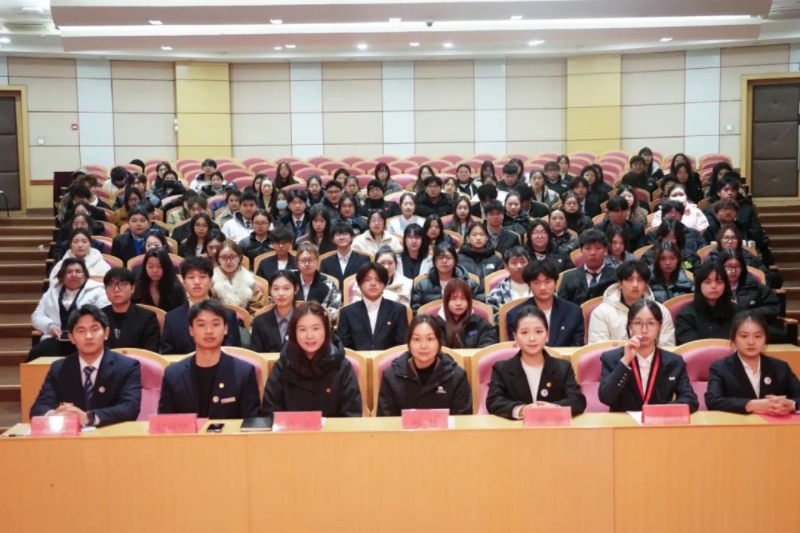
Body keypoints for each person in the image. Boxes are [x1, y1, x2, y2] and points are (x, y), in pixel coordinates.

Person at [30, 304, 142, 426]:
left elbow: (130, 408)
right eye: (81, 331)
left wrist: (88, 417)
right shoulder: (59, 368)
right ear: (71, 338)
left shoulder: (127, 367)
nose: (88, 336)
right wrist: (55, 415)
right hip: (73, 435)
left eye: (94, 329)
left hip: (111, 434)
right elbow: (39, 408)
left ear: (106, 333)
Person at [158, 299, 260, 418]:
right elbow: (164, 422)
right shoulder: (173, 375)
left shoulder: (244, 372)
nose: (209, 331)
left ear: (225, 329)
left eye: (215, 324)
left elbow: (252, 422)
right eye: (201, 325)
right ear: (191, 330)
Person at [263, 301, 363, 417]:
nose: (309, 336)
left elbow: (352, 415)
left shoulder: (342, 366)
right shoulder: (283, 365)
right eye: (302, 329)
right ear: (294, 333)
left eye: (315, 328)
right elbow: (270, 412)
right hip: (290, 428)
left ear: (326, 331)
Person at [598, 299, 698, 413]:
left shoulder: (674, 362)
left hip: (659, 421)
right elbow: (606, 398)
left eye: (651, 323)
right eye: (637, 323)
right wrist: (625, 361)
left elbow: (690, 400)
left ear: (659, 326)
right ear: (630, 325)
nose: (644, 330)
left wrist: (659, 411)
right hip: (624, 422)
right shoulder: (611, 358)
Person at [487, 305, 586, 419]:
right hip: (517, 428)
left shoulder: (563, 367)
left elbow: (577, 400)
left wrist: (555, 408)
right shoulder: (502, 368)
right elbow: (494, 402)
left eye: (538, 332)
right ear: (515, 337)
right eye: (524, 332)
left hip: (553, 427)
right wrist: (522, 410)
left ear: (547, 335)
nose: (532, 338)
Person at [705, 311, 800, 414]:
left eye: (758, 336)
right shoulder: (720, 368)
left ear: (766, 338)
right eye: (744, 336)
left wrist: (792, 404)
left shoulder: (780, 367)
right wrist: (752, 405)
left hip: (776, 423)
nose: (751, 342)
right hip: (738, 423)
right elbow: (712, 401)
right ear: (733, 338)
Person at [376, 314, 472, 416]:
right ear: (408, 343)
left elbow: (462, 420)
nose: (423, 346)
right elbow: (385, 420)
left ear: (439, 342)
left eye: (430, 339)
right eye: (417, 339)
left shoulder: (456, 376)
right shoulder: (391, 376)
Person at [29, 259, 112, 361]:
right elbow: (37, 315)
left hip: (86, 339)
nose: (74, 275)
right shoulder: (52, 292)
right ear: (62, 276)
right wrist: (50, 326)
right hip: (57, 339)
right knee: (36, 353)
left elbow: (105, 315)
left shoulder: (98, 291)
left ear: (85, 274)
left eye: (78, 271)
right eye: (69, 272)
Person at [160, 256, 242, 355]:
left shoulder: (228, 315)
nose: (197, 282)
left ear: (211, 281)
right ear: (184, 282)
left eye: (202, 277)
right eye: (191, 277)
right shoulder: (172, 318)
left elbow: (233, 353)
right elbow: (167, 356)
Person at [588, 260, 675, 345]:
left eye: (640, 280)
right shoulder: (601, 312)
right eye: (629, 280)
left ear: (646, 284)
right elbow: (599, 349)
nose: (635, 285)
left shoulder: (661, 311)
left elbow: (667, 347)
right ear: (620, 284)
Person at [506, 259, 584, 346]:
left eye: (548, 282)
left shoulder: (573, 312)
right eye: (536, 283)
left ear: (555, 283)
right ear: (529, 285)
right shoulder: (515, 315)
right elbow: (517, 348)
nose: (542, 287)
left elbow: (576, 348)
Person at [337, 262, 409, 351]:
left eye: (378, 280)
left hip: (390, 359)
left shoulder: (398, 310)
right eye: (367, 280)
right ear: (360, 284)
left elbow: (402, 345)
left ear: (384, 284)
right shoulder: (347, 312)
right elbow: (343, 347)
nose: (373, 284)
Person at [721, 250, 783, 342]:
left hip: (753, 327)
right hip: (723, 330)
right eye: (728, 267)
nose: (733, 271)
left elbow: (773, 307)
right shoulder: (713, 288)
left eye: (737, 266)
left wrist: (748, 313)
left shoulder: (755, 286)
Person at [675, 261, 736, 344]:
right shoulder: (686, 315)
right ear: (699, 285)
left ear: (726, 286)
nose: (713, 286)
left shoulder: (737, 312)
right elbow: (691, 347)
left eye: (719, 282)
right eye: (707, 282)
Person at [411, 242, 484, 311]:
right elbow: (416, 310)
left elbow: (480, 308)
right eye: (440, 258)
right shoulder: (422, 286)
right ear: (434, 261)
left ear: (455, 261)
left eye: (448, 258)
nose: (444, 261)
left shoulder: (469, 284)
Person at [101, 268, 160, 352]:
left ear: (132, 288)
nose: (116, 289)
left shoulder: (147, 317)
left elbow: (151, 351)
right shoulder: (99, 316)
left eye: (122, 284)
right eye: (111, 285)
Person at [708, 224, 782, 289]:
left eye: (733, 238)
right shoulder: (711, 258)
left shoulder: (749, 256)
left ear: (739, 240)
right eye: (726, 238)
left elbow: (764, 274)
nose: (730, 241)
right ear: (719, 240)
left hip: (749, 290)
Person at [556, 229, 616, 306]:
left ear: (605, 250)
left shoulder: (616, 276)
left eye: (598, 248)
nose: (592, 253)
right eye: (588, 248)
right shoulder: (568, 277)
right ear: (581, 250)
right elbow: (560, 306)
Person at [433, 278, 497, 348]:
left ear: (469, 301)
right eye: (453, 299)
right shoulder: (436, 325)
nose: (458, 303)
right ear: (446, 301)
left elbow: (489, 343)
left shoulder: (480, 323)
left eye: (463, 298)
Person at [211, 241, 265, 315]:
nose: (228, 261)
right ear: (218, 259)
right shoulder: (210, 280)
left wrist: (248, 320)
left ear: (239, 258)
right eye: (223, 257)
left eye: (232, 257)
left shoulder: (249, 280)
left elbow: (257, 307)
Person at [250, 270, 298, 352]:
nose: (281, 293)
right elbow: (255, 355)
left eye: (286, 288)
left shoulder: (304, 319)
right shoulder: (259, 322)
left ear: (296, 289)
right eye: (276, 289)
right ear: (270, 291)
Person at [294, 242, 342, 322]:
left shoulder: (328, 283)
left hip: (319, 323)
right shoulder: (289, 279)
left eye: (310, 260)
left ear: (318, 261)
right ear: (297, 262)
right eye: (303, 260)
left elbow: (335, 309)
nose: (307, 264)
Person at [320, 222, 370, 287]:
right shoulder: (326, 262)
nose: (341, 237)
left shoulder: (364, 259)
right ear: (333, 240)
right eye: (337, 235)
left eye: (345, 234)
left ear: (352, 237)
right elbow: (323, 284)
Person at [457, 221, 504, 286]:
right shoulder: (458, 259)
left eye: (482, 234)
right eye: (474, 235)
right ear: (468, 238)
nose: (478, 238)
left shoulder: (497, 260)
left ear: (487, 237)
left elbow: (500, 283)